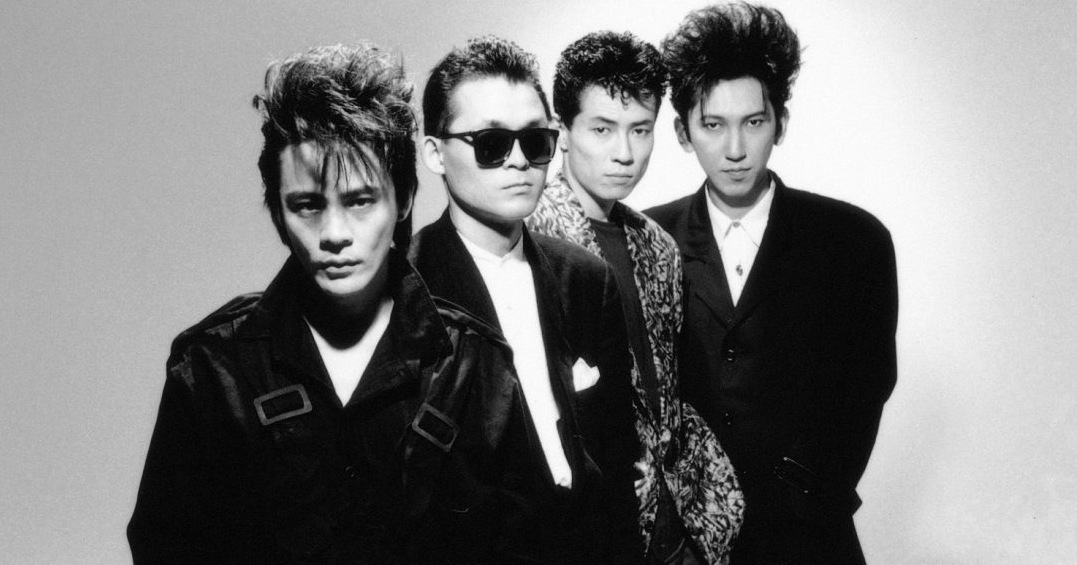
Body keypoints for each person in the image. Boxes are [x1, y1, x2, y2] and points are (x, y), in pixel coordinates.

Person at [128, 44, 538, 563]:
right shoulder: (212, 369)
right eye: (307, 206)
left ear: (404, 198)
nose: (335, 233)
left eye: (360, 200)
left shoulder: (477, 365)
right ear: (278, 213)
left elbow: (525, 545)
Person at [646, 1, 899, 564]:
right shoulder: (647, 239)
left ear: (780, 123)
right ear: (683, 132)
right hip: (685, 546)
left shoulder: (854, 241)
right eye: (713, 125)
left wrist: (800, 499)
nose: (735, 149)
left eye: (753, 122)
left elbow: (868, 384)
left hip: (809, 540)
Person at [410, 35, 644, 564]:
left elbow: (616, 461)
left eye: (535, 141)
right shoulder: (407, 289)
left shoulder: (586, 278)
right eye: (491, 143)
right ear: (434, 154)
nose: (519, 161)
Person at [525, 30, 744, 565]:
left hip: (678, 527)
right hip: (586, 527)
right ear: (562, 132)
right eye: (602, 129)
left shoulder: (657, 245)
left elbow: (670, 394)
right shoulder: (528, 237)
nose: (624, 153)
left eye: (640, 130)